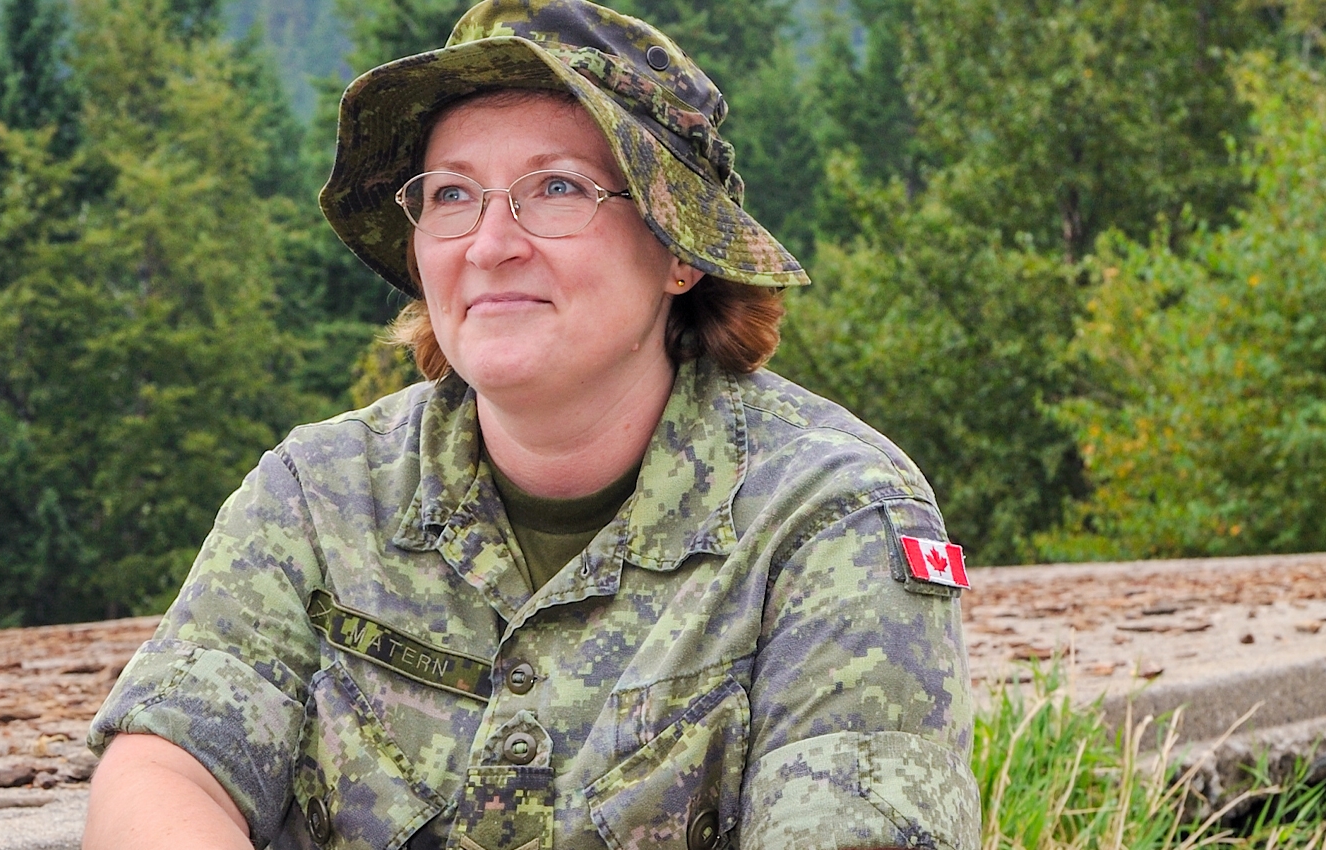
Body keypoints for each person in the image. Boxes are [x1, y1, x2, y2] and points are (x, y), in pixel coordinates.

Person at [82, 1, 980, 848]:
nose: (489, 244)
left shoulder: (829, 519)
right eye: (450, 195)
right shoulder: (320, 497)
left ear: (678, 251)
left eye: (555, 189)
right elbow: (163, 769)